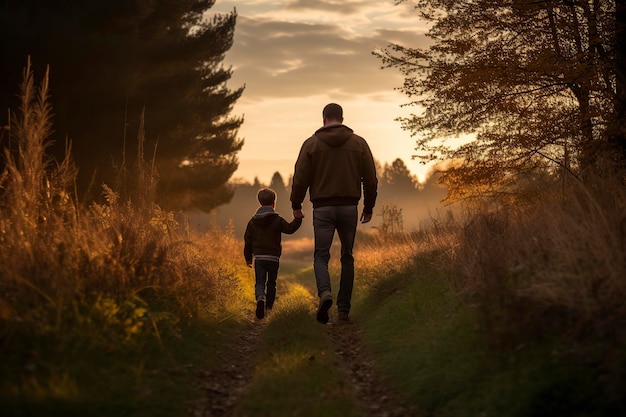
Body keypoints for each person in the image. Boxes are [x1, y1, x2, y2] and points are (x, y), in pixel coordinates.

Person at [290, 103, 378, 324]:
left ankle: (325, 294)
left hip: (322, 209)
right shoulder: (359, 143)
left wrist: (296, 204)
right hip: (349, 208)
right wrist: (368, 207)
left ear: (323, 119)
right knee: (347, 257)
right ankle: (343, 311)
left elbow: (300, 178)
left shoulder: (311, 144)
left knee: (321, 256)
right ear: (342, 118)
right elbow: (370, 179)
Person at [244, 188, 302, 319]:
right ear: (273, 203)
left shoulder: (253, 221)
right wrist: (297, 219)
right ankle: (269, 308)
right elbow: (290, 229)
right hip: (273, 258)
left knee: (259, 282)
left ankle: (260, 298)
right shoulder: (277, 220)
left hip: (259, 257)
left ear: (259, 202)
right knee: (271, 283)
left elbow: (247, 240)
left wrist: (248, 258)